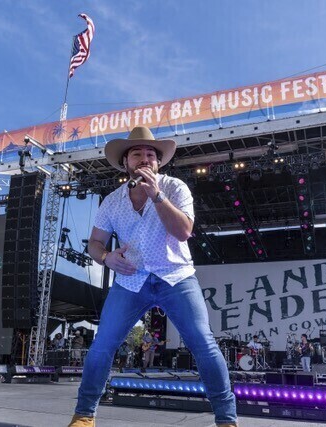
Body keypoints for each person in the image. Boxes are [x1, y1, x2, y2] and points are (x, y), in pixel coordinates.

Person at [68, 126, 237, 427]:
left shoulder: (175, 188)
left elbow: (183, 231)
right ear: (125, 163)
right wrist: (107, 257)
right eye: (137, 154)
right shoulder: (112, 201)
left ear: (159, 163)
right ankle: (84, 416)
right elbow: (94, 244)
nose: (145, 159)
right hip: (132, 280)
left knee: (203, 343)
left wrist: (156, 195)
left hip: (175, 277)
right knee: (103, 345)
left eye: (151, 155)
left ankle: (227, 420)